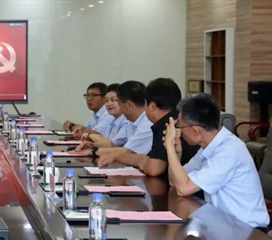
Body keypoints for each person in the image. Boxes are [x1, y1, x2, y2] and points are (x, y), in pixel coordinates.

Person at [164, 93, 269, 229]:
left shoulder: (229, 151)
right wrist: (176, 152)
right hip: (223, 226)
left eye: (180, 126)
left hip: (247, 231)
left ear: (196, 131)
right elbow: (174, 182)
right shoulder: (209, 147)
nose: (179, 131)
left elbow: (184, 189)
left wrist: (169, 146)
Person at [101, 78, 199, 176]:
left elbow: (154, 169)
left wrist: (144, 163)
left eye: (145, 104)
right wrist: (116, 157)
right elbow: (148, 157)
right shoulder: (175, 117)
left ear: (152, 106)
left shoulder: (168, 124)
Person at [96, 81, 153, 166]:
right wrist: (93, 146)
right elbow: (113, 144)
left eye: (119, 104)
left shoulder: (148, 123)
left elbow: (127, 151)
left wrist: (94, 151)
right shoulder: (130, 122)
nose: (120, 110)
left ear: (129, 104)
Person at [76, 83, 130, 150]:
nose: (109, 104)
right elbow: (105, 141)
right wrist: (92, 145)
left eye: (113, 100)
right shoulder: (112, 121)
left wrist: (89, 135)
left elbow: (112, 145)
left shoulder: (127, 122)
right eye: (106, 101)